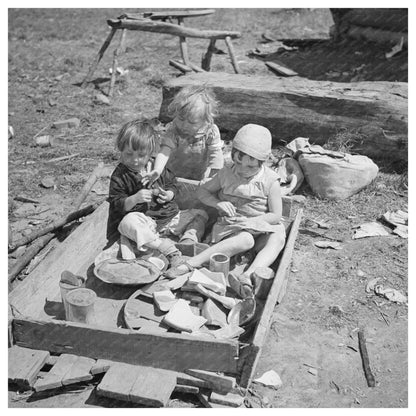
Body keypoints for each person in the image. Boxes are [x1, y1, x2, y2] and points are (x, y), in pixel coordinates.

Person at [166, 124, 286, 298]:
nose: (243, 169)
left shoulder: (270, 181)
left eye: (251, 167)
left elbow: (276, 215)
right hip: (231, 229)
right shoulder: (226, 173)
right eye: (239, 162)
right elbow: (202, 191)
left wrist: (254, 222)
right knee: (246, 239)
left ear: (264, 161)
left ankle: (248, 275)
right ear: (233, 155)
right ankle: (190, 264)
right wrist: (217, 203)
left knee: (279, 234)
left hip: (258, 226)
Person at [107, 119, 208, 265]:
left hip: (171, 217)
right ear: (120, 150)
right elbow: (116, 205)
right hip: (148, 224)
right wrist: (135, 198)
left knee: (202, 214)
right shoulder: (120, 175)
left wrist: (169, 194)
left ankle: (188, 240)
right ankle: (164, 247)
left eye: (141, 155)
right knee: (127, 223)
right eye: (129, 154)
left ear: (150, 153)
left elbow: (173, 183)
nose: (135, 160)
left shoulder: (156, 166)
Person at [142, 85, 224, 184]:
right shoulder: (174, 129)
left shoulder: (210, 132)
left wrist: (213, 175)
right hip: (172, 173)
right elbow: (165, 150)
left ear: (205, 120)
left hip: (197, 175)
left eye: (192, 122)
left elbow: (216, 154)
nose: (184, 125)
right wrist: (158, 170)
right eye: (181, 119)